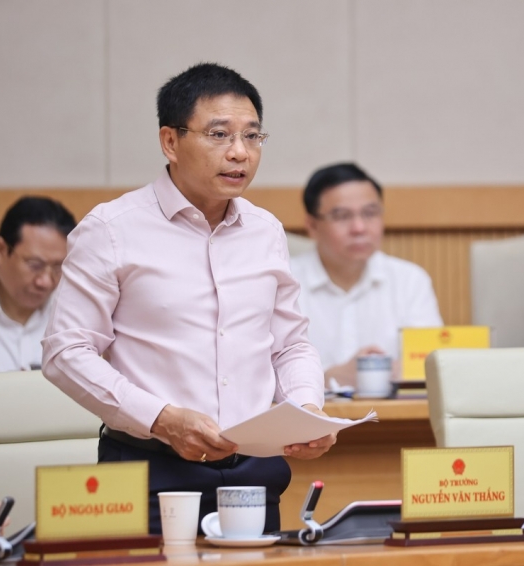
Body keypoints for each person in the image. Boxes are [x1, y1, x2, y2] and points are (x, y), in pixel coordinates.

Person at [41, 63, 334, 534]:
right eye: (219, 134)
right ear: (170, 142)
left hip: (255, 475)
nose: (239, 152)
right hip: (150, 472)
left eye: (252, 136)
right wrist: (162, 419)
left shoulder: (265, 231)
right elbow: (66, 352)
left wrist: (306, 410)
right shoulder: (111, 229)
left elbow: (289, 346)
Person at [289, 163, 443, 386]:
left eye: (370, 213)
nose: (359, 228)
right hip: (309, 408)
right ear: (312, 226)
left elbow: (430, 365)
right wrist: (325, 379)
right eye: (342, 216)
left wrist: (401, 372)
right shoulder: (284, 283)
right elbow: (261, 372)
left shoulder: (410, 280)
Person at [0, 197, 75, 374]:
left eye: (57, 267)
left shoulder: (73, 312)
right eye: (35, 265)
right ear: (0, 250)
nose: (46, 282)